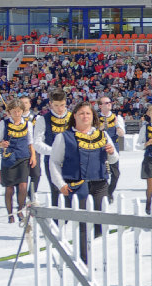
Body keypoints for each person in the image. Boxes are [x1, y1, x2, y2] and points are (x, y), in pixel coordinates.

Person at [45, 99, 117, 263]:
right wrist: (60, 184)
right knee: (83, 222)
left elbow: (113, 160)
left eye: (88, 113)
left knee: (100, 221)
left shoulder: (102, 135)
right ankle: (84, 259)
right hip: (77, 184)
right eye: (81, 113)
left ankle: (88, 247)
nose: (85, 116)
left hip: (99, 183)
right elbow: (54, 162)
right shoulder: (64, 137)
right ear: (75, 116)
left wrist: (111, 152)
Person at [0, 96, 35, 225]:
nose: (17, 114)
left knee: (23, 186)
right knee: (9, 188)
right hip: (9, 159)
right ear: (9, 112)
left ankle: (20, 209)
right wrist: (1, 144)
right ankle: (10, 214)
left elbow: (30, 142)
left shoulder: (27, 124)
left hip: (23, 157)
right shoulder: (3, 124)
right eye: (14, 111)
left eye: (19, 111)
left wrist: (33, 156)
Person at [34, 89, 75, 204]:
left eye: (62, 105)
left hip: (72, 160)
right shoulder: (43, 119)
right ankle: (56, 220)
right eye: (56, 105)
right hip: (52, 160)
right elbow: (37, 143)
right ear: (50, 104)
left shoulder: (74, 117)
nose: (60, 109)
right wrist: (54, 151)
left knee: (72, 191)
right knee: (56, 191)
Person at [96, 95, 126, 201]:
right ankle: (102, 193)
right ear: (100, 106)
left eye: (110, 102)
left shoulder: (117, 118)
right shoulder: (95, 118)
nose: (109, 104)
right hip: (99, 148)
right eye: (106, 103)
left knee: (115, 173)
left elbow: (122, 134)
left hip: (113, 148)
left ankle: (109, 192)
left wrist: (118, 128)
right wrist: (100, 128)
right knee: (101, 173)